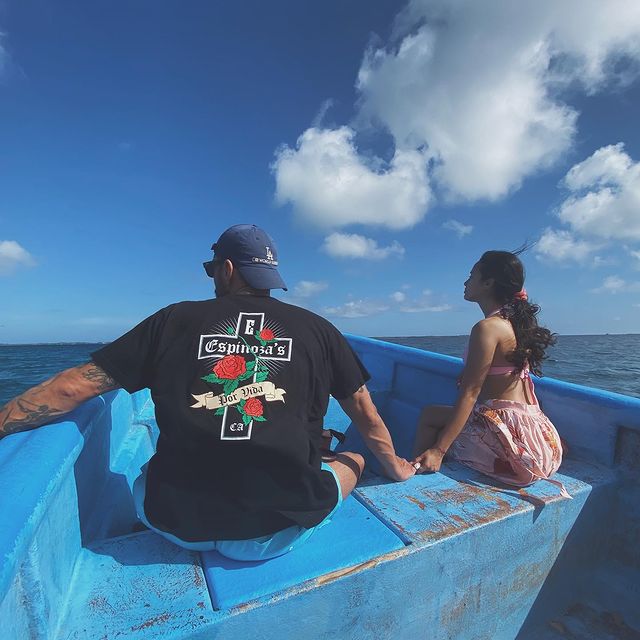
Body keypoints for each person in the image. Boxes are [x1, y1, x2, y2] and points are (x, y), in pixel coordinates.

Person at [0, 224, 415, 561]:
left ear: (227, 269)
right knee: (354, 458)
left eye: (211, 267)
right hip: (273, 534)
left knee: (148, 472)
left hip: (174, 524)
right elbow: (365, 412)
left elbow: (72, 387)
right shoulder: (319, 330)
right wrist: (394, 466)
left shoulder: (172, 320)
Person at [411, 250, 569, 497]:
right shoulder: (515, 323)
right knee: (449, 420)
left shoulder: (487, 328)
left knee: (431, 416)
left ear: (488, 283)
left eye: (472, 276)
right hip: (542, 443)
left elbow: (471, 393)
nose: (466, 282)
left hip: (518, 457)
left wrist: (439, 450)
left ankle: (416, 479)